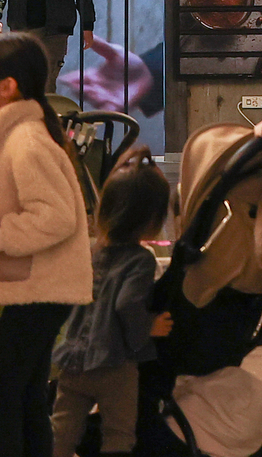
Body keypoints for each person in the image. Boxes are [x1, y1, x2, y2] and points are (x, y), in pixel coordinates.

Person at [0, 32, 94, 456]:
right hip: (37, 285)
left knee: (6, 395)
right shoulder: (16, 135)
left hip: (41, 287)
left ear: (7, 87)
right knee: (25, 394)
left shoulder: (25, 141)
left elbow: (57, 216)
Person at [51, 149, 176, 457]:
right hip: (114, 366)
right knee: (119, 435)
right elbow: (126, 305)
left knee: (62, 431)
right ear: (152, 219)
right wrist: (149, 327)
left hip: (73, 361)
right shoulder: (140, 261)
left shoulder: (91, 251)